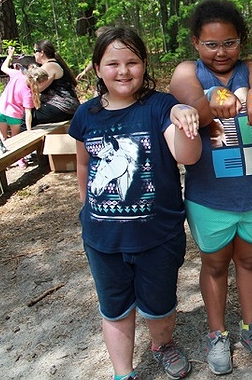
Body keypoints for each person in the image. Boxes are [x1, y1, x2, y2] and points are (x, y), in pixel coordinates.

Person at [69, 27, 201, 380]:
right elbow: (84, 163)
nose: (123, 71)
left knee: (159, 307)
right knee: (114, 310)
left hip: (157, 236)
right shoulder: (86, 115)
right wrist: (86, 207)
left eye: (132, 62)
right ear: (98, 68)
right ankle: (122, 373)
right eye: (113, 63)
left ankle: (162, 344)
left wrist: (186, 120)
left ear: (144, 64)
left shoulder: (160, 107)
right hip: (103, 239)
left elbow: (187, 156)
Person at [169, 0, 252, 375]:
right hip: (210, 197)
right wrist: (211, 98)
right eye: (211, 44)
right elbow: (190, 101)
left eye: (229, 43)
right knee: (214, 266)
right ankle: (217, 334)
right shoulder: (188, 71)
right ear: (196, 43)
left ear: (241, 42)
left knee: (250, 261)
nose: (220, 52)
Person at [0, 47, 39, 142]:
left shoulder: (17, 74)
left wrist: (10, 56)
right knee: (15, 141)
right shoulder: (28, 92)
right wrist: (29, 130)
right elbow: (28, 113)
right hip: (14, 115)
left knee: (3, 139)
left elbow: (3, 68)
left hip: (0, 109)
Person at [32, 40, 81, 125]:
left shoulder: (49, 66)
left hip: (63, 107)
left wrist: (24, 73)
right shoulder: (54, 63)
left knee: (24, 116)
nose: (33, 54)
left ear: (42, 53)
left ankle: (19, 138)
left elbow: (37, 88)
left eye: (35, 51)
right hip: (67, 107)